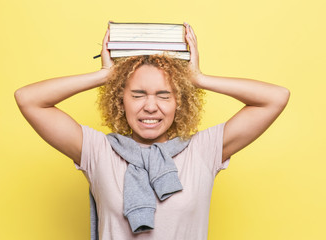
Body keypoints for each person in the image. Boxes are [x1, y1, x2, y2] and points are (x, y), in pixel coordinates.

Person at [14, 22, 290, 239]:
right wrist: (104, 76)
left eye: (163, 95)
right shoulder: (98, 151)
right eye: (137, 95)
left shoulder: (203, 150)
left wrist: (199, 79)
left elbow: (275, 98)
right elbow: (29, 99)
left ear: (178, 102)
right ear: (120, 100)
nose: (150, 106)